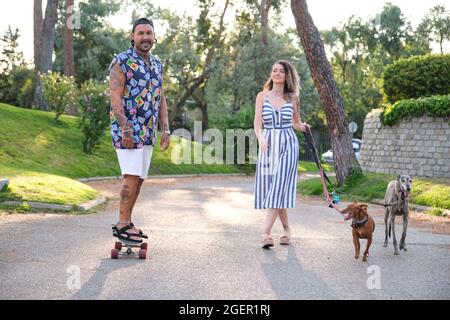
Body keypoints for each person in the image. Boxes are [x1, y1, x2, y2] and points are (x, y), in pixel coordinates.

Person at [109, 18, 170, 243]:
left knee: (140, 178)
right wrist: (125, 129)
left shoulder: (157, 64)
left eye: (149, 33)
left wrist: (166, 129)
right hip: (128, 129)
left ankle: (128, 221)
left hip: (148, 131)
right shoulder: (122, 61)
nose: (145, 37)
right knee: (131, 175)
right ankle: (122, 223)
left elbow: (160, 97)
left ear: (154, 37)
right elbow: (115, 96)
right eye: (141, 33)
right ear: (132, 36)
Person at [253, 60, 309, 249]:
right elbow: (257, 123)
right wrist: (260, 138)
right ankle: (286, 231)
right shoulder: (262, 96)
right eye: (274, 70)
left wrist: (302, 126)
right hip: (268, 144)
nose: (276, 73)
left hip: (288, 144)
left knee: (278, 187)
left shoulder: (292, 97)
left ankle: (265, 233)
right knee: (276, 189)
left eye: (281, 71)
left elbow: (296, 122)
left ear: (287, 75)